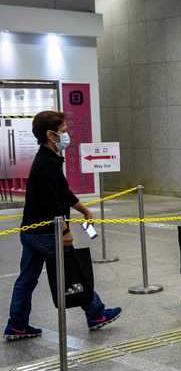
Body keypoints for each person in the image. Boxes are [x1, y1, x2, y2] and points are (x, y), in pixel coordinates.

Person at [4, 111, 121, 341]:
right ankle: (95, 313)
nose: (68, 136)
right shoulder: (46, 164)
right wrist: (65, 232)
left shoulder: (50, 159)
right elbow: (51, 203)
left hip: (31, 231)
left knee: (27, 279)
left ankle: (17, 324)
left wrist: (84, 210)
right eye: (64, 131)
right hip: (47, 232)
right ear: (51, 135)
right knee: (72, 271)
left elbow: (63, 192)